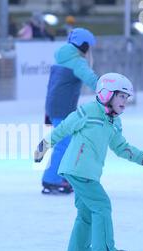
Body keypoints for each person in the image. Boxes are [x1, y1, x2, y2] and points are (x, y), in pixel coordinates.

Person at [34, 73, 143, 251]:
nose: (125, 101)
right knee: (102, 205)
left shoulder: (114, 122)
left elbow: (121, 147)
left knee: (87, 211)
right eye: (121, 96)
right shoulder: (87, 112)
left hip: (85, 172)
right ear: (106, 94)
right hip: (78, 169)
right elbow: (63, 129)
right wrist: (43, 146)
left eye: (127, 97)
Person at [41, 28, 99, 195]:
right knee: (64, 144)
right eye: (89, 46)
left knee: (70, 142)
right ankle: (51, 179)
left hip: (54, 107)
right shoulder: (76, 61)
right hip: (63, 109)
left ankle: (62, 175)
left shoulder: (62, 58)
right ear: (84, 45)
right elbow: (91, 79)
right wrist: (109, 90)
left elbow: (52, 86)